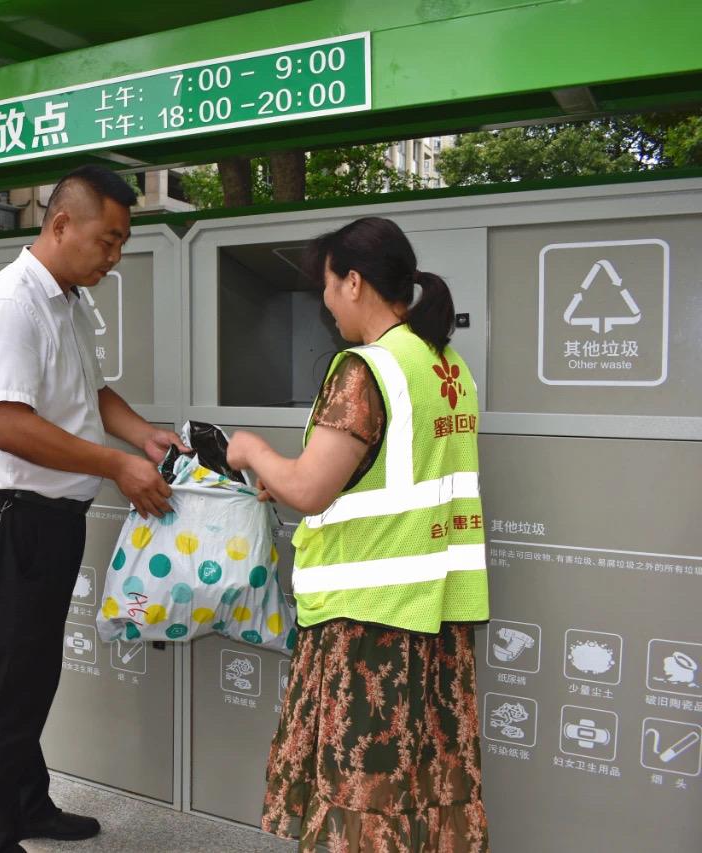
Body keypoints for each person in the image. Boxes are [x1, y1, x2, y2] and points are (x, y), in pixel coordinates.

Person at [225, 217, 490, 853]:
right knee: (427, 791)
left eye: (326, 284)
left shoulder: (365, 369)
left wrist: (254, 452)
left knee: (364, 800)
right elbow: (385, 476)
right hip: (438, 618)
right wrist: (292, 482)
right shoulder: (443, 365)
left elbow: (312, 487)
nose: (323, 300)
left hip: (370, 627)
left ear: (354, 281)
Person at [0, 165, 185, 853]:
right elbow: (11, 425)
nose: (114, 257)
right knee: (4, 682)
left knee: (34, 672)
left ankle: (28, 802)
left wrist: (140, 433)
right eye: (107, 240)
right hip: (12, 517)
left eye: (120, 243)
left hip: (51, 518)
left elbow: (92, 391)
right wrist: (118, 464)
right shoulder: (11, 304)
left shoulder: (69, 300)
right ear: (61, 225)